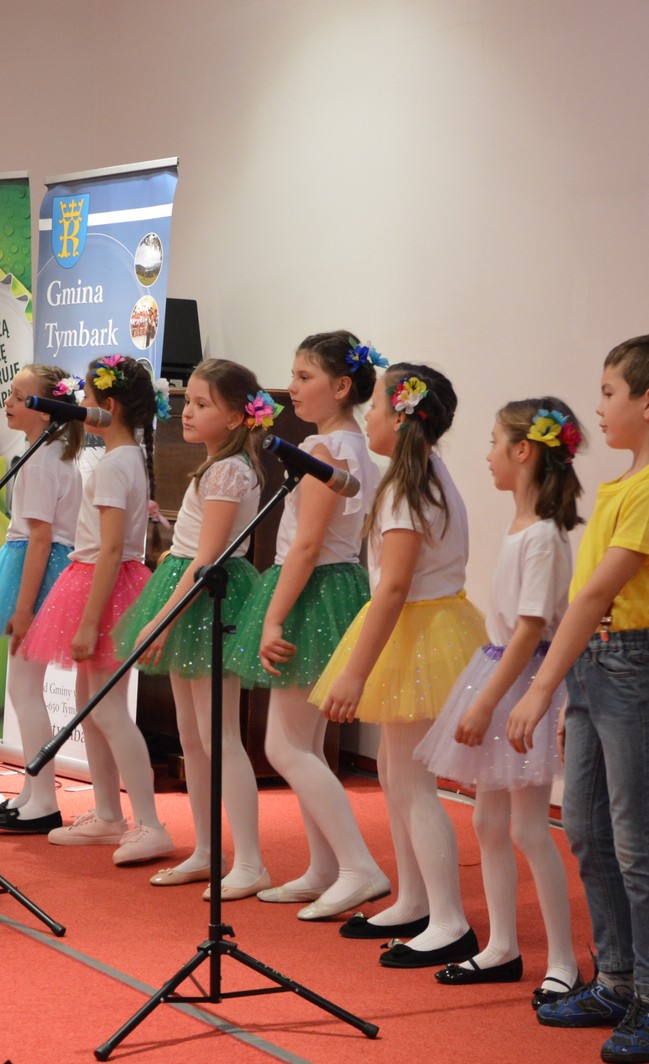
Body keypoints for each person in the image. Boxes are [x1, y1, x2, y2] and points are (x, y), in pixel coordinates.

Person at [506, 334, 649, 1064]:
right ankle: (615, 980)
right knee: (586, 829)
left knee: (634, 838)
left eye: (609, 392)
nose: (598, 406)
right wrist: (569, 682)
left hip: (633, 667)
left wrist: (541, 687)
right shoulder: (624, 485)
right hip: (595, 664)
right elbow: (585, 607)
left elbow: (594, 595)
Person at [312, 363, 487, 969]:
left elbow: (392, 588)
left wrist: (354, 673)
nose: (370, 418)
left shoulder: (408, 487)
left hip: (419, 630)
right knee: (394, 772)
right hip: (425, 625)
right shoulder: (423, 476)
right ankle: (414, 900)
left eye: (378, 408)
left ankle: (450, 921)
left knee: (413, 783)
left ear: (403, 417)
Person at [416, 397, 584, 1007]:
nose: (487, 454)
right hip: (499, 671)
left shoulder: (544, 537)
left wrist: (486, 703)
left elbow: (532, 628)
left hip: (523, 682)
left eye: (494, 442)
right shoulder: (522, 529)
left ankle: (563, 960)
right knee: (488, 822)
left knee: (529, 827)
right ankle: (502, 946)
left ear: (524, 451)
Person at [225, 332, 389, 920]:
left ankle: (359, 866)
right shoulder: (355, 447)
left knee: (285, 744)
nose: (290, 388)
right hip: (334, 585)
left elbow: (307, 544)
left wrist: (272, 617)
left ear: (341, 386)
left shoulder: (326, 448)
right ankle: (324, 867)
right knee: (308, 742)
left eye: (303, 377)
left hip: (314, 589)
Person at [113, 359, 267, 897]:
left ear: (236, 417)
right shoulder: (215, 465)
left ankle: (250, 860)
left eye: (203, 404)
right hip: (186, 591)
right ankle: (206, 850)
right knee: (193, 737)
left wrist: (159, 622)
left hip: (204, 597)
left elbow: (208, 560)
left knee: (220, 736)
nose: (188, 411)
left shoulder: (229, 471)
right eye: (189, 401)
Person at [18, 354, 173, 868]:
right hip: (96, 580)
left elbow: (110, 550)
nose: (81, 405)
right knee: (92, 705)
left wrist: (88, 623)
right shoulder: (124, 459)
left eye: (86, 397)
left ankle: (149, 823)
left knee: (107, 709)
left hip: (104, 586)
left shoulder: (114, 464)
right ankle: (108, 814)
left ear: (109, 405)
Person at [0, 365, 85, 833]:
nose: (9, 403)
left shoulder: (41, 460)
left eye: (20, 397)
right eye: (11, 394)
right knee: (24, 690)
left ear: (47, 410)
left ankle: (45, 801)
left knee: (24, 691)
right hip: (39, 568)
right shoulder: (50, 452)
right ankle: (32, 794)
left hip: (35, 574)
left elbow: (39, 538)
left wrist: (23, 607)